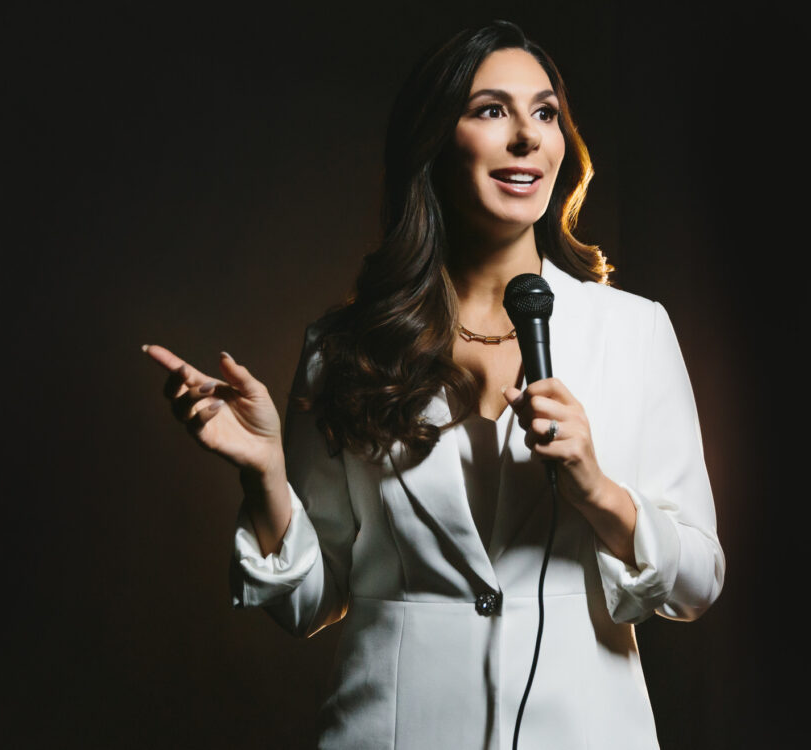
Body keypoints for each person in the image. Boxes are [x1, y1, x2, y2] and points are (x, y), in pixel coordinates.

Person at [143, 20, 724, 750]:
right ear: (435, 140)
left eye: (544, 113)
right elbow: (310, 601)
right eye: (490, 110)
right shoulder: (344, 347)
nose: (527, 138)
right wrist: (264, 475)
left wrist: (597, 489)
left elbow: (697, 583)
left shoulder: (634, 332)